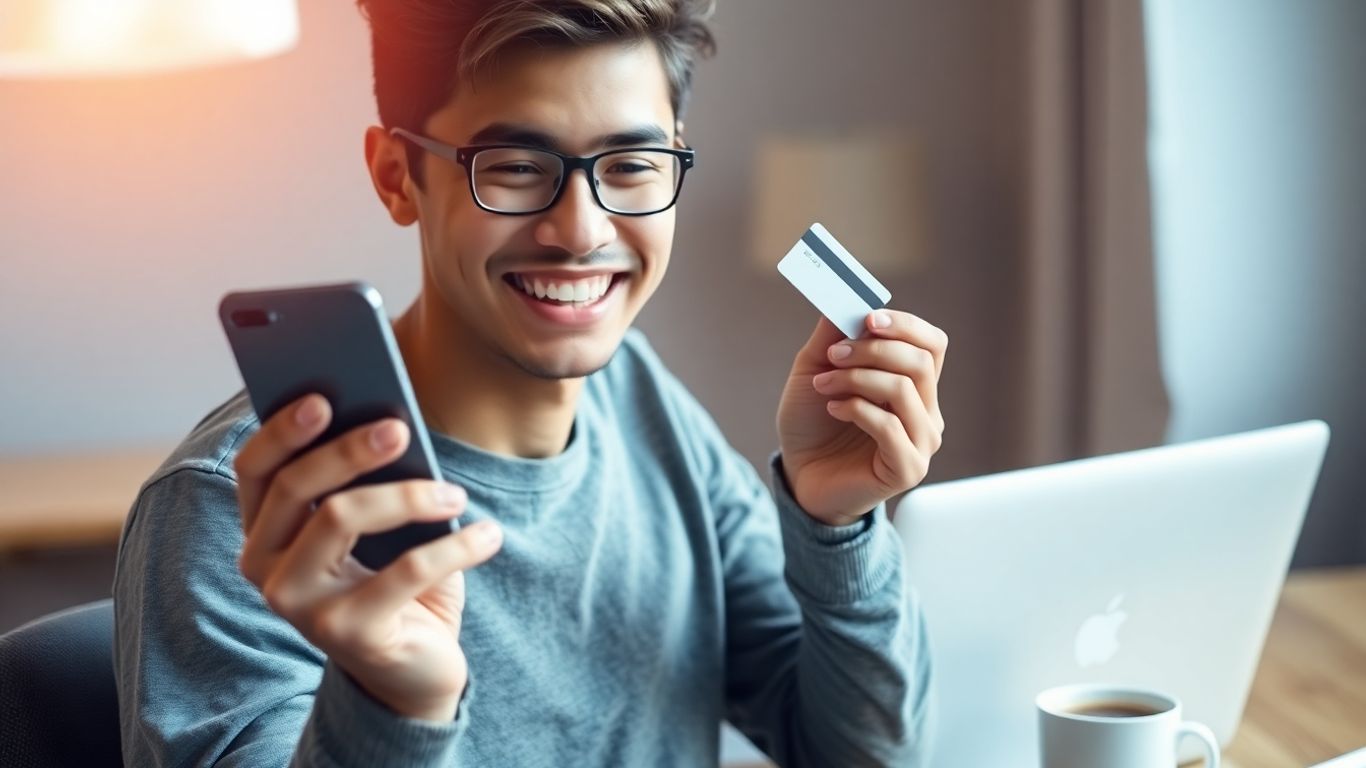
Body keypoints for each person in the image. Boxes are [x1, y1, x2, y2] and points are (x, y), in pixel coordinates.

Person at [113, 1, 948, 765]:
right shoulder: (245, 510)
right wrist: (393, 706)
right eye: (513, 166)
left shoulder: (638, 398)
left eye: (630, 164)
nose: (580, 231)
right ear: (397, 176)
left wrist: (835, 526)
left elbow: (865, 754)